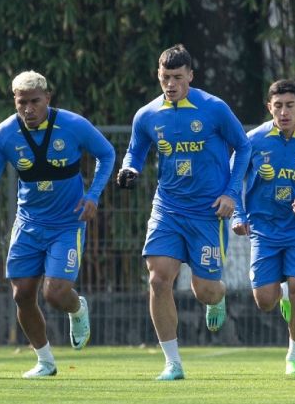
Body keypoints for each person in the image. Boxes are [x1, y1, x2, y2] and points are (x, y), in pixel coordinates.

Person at [0, 71, 115, 378]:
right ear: (15, 102)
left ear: (48, 98)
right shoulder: (5, 133)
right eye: (22, 102)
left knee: (56, 293)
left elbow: (107, 153)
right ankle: (45, 361)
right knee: (21, 295)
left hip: (67, 223)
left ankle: (77, 308)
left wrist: (93, 195)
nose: (29, 109)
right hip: (29, 223)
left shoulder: (73, 125)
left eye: (35, 101)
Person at [117, 44, 250, 381]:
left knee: (204, 290)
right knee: (158, 278)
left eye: (178, 77)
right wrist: (129, 169)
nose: (171, 84)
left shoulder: (214, 109)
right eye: (165, 78)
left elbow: (244, 146)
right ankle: (172, 362)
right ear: (158, 77)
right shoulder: (147, 115)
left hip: (207, 212)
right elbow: (135, 151)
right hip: (168, 208)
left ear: (191, 75)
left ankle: (216, 297)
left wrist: (231, 193)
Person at [232, 79, 295, 376]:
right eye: (278, 106)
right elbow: (234, 179)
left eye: (289, 105)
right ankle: (279, 294)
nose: (284, 112)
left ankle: (294, 356)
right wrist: (237, 215)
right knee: (265, 301)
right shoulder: (253, 140)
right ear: (269, 107)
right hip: (264, 229)